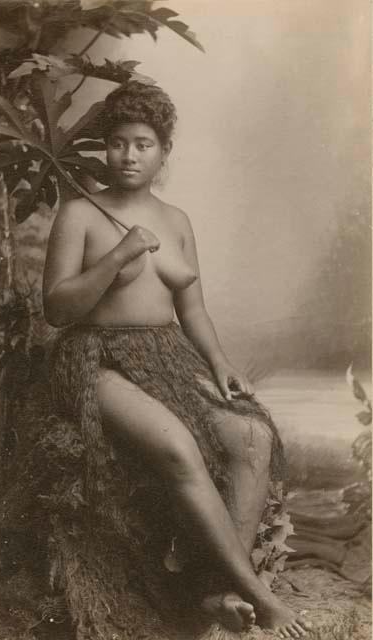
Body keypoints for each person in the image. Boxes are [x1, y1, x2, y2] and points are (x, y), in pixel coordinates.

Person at [42, 81, 312, 639]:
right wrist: (119, 254)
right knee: (177, 445)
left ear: (164, 152)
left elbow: (194, 310)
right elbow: (57, 310)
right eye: (117, 143)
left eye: (143, 144)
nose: (129, 155)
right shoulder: (80, 214)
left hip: (165, 353)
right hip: (95, 357)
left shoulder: (178, 219)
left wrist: (220, 363)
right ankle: (256, 594)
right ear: (105, 149)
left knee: (251, 437)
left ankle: (218, 590)